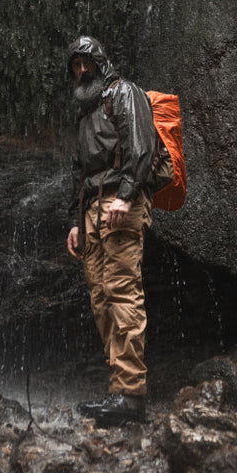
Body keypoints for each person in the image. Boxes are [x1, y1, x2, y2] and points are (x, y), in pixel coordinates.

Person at [65, 34, 161, 427]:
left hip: (120, 203)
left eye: (88, 60)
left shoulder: (123, 93)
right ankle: (118, 390)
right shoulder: (86, 113)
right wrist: (74, 220)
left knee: (122, 291)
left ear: (101, 61)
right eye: (76, 64)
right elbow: (79, 170)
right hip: (91, 210)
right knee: (101, 297)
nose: (83, 68)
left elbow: (142, 144)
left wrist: (126, 194)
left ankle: (132, 395)